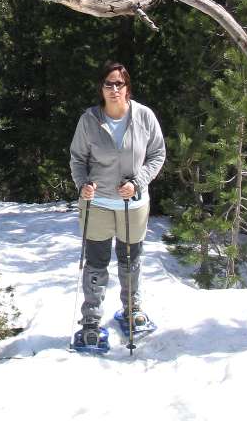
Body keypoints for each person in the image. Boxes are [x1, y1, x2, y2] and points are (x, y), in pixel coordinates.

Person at [69, 61, 166, 346]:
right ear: (101, 89)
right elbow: (77, 158)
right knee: (96, 263)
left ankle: (131, 309)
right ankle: (91, 319)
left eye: (119, 84)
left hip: (132, 204)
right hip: (97, 204)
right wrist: (83, 184)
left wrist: (137, 182)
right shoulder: (89, 120)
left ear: (127, 87)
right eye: (108, 84)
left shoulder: (144, 116)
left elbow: (157, 154)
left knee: (130, 260)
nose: (114, 89)